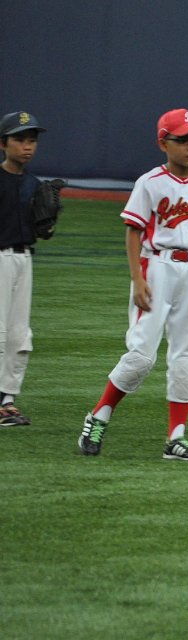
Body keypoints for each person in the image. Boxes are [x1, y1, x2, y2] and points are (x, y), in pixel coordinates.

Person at [77, 108, 188, 461]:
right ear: (163, 143)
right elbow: (132, 231)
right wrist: (137, 279)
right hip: (155, 267)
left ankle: (176, 437)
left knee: (186, 355)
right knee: (142, 355)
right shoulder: (150, 183)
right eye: (183, 140)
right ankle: (99, 416)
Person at [0, 111, 49, 427]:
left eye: (32, 140)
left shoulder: (34, 185)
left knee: (20, 334)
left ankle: (7, 400)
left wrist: (46, 226)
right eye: (19, 140)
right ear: (3, 144)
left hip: (24, 260)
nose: (27, 146)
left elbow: (41, 230)